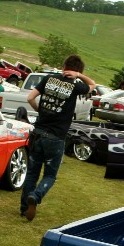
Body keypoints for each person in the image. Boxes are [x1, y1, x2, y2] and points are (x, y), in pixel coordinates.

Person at [20, 54, 96, 221]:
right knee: (50, 175)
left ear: (63, 67)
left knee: (32, 173)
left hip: (38, 133)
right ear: (77, 71)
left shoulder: (48, 79)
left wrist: (39, 110)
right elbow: (92, 85)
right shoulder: (76, 86)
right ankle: (36, 196)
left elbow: (30, 97)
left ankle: (24, 208)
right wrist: (78, 76)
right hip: (55, 137)